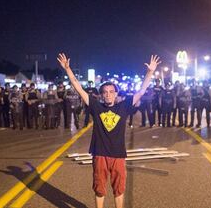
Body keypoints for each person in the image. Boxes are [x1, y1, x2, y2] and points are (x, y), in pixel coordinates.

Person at [58, 53, 160, 208]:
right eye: (105, 92)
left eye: (111, 92)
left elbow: (141, 91)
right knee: (99, 189)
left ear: (116, 94)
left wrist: (150, 72)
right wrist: (68, 69)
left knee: (118, 189)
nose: (108, 95)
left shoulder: (123, 106)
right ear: (101, 95)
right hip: (99, 153)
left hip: (118, 154)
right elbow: (77, 86)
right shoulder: (96, 106)